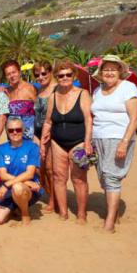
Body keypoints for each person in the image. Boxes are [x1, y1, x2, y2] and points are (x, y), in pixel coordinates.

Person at [90, 54, 137, 233]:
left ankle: (109, 222)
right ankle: (115, 214)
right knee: (104, 177)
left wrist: (124, 142)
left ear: (120, 71)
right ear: (101, 72)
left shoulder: (128, 88)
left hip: (119, 137)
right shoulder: (98, 91)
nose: (109, 72)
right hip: (98, 138)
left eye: (113, 69)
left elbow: (134, 119)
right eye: (106, 69)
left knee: (112, 177)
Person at [41, 60, 93, 222]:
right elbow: (48, 121)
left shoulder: (82, 94)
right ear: (56, 77)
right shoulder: (53, 96)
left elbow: (88, 120)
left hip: (78, 141)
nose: (64, 78)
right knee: (59, 177)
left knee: (78, 178)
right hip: (57, 142)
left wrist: (87, 142)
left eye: (68, 74)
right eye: (61, 75)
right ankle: (63, 212)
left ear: (74, 75)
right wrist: (43, 143)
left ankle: (82, 213)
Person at [0, 117, 42, 226]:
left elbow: (30, 173)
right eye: (11, 130)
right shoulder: (1, 149)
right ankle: (14, 208)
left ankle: (25, 214)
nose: (15, 132)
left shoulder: (32, 147)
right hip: (13, 188)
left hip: (29, 190)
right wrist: (25, 181)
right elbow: (3, 175)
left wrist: (8, 184)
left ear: (23, 129)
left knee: (18, 187)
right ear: (7, 131)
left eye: (18, 129)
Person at [33, 60, 57, 213]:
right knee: (39, 169)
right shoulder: (38, 91)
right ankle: (50, 195)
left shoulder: (57, 89)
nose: (40, 77)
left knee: (50, 169)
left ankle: (54, 200)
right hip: (36, 134)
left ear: (50, 72)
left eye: (43, 73)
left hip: (51, 134)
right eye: (37, 75)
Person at [3, 60, 37, 140]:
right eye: (8, 74)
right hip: (12, 137)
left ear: (19, 72)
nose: (12, 76)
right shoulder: (6, 92)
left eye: (14, 72)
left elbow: (39, 112)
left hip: (28, 137)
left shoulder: (30, 89)